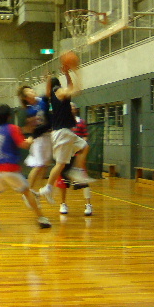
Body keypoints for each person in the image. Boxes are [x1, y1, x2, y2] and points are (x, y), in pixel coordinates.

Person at [0, 104, 52, 230]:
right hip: (10, 168)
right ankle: (41, 218)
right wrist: (31, 138)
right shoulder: (12, 128)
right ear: (9, 117)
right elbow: (23, 145)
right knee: (27, 192)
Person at [39, 61, 94, 205]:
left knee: (84, 146)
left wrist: (67, 74)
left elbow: (66, 88)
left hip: (64, 133)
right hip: (62, 133)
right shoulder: (58, 91)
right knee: (60, 164)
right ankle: (47, 188)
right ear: (57, 85)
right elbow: (73, 89)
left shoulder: (52, 95)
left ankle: (75, 171)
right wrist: (75, 72)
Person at [17, 84, 52, 203]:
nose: (32, 91)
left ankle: (35, 191)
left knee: (45, 165)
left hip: (47, 136)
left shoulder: (42, 100)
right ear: (26, 97)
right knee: (39, 165)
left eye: (32, 90)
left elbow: (48, 93)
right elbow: (31, 128)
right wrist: (30, 135)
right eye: (29, 91)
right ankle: (28, 191)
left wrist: (48, 79)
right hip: (39, 139)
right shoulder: (29, 110)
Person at [56, 103, 93, 216]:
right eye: (69, 107)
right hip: (65, 156)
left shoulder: (81, 122)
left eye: (73, 107)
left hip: (78, 156)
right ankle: (63, 204)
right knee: (63, 182)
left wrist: (81, 145)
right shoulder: (62, 122)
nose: (71, 109)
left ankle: (88, 205)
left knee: (83, 180)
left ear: (76, 110)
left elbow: (85, 136)